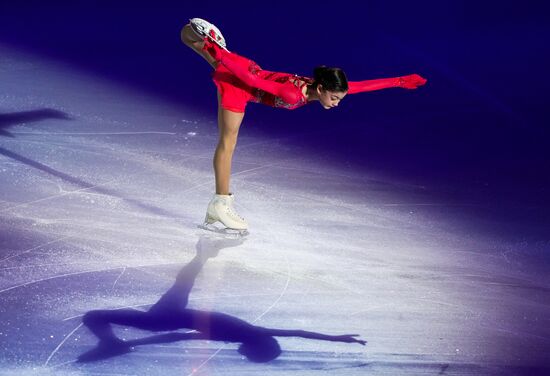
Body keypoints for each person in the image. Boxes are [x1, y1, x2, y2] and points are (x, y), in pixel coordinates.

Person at [181, 18, 427, 231]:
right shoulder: (292, 94)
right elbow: (249, 79)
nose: (336, 103)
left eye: (340, 99)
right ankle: (221, 202)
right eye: (334, 98)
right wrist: (222, 53)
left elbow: (363, 86)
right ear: (321, 89)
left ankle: (202, 38)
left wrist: (400, 81)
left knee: (190, 39)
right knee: (228, 142)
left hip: (249, 72)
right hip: (241, 87)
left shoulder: (322, 87)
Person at [79, 236, 366, 363]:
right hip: (166, 318)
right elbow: (298, 332)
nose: (245, 356)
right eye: (252, 357)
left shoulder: (236, 336)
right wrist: (337, 338)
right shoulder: (251, 334)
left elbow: (181, 339)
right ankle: (111, 343)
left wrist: (131, 343)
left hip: (169, 317)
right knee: (95, 316)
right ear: (257, 348)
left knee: (183, 282)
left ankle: (202, 255)